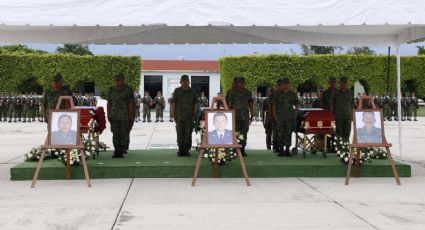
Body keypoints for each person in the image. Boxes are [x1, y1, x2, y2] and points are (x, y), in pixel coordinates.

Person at [107, 73, 135, 158]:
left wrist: (130, 115)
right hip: (114, 115)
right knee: (115, 132)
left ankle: (122, 149)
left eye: (120, 80)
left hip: (124, 115)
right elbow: (109, 102)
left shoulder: (128, 89)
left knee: (124, 133)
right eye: (117, 80)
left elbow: (131, 103)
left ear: (123, 80)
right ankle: (117, 150)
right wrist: (108, 113)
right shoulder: (111, 89)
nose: (118, 82)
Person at [172, 75, 199, 157]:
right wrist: (173, 114)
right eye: (183, 81)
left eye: (186, 81)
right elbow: (174, 103)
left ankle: (186, 150)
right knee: (180, 133)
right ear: (180, 82)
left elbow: (195, 104)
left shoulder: (193, 91)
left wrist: (195, 115)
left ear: (189, 82)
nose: (185, 82)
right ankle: (180, 150)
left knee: (188, 134)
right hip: (179, 116)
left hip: (189, 116)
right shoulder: (177, 91)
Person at [272, 78, 299, 157]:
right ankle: (281, 150)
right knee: (280, 133)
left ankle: (287, 150)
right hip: (280, 116)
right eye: (284, 84)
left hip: (289, 117)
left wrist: (295, 113)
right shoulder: (277, 94)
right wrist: (274, 115)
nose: (285, 85)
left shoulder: (292, 94)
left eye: (287, 84)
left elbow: (297, 104)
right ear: (282, 84)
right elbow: (274, 104)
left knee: (288, 133)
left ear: (289, 84)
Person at [228, 77, 253, 157]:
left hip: (245, 116)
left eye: (243, 83)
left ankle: (242, 149)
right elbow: (229, 104)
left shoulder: (247, 92)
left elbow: (251, 104)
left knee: (244, 133)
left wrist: (252, 114)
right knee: (236, 133)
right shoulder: (232, 92)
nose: (241, 84)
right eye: (239, 83)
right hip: (235, 116)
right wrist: (228, 114)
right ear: (237, 83)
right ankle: (235, 149)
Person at [331, 77, 354, 141]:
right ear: (339, 83)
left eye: (345, 83)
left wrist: (352, 114)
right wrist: (333, 115)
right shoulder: (336, 93)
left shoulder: (351, 93)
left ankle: (346, 147)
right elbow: (332, 104)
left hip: (348, 117)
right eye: (342, 83)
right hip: (339, 117)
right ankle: (339, 148)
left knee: (347, 133)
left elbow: (352, 104)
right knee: (339, 133)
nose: (344, 84)